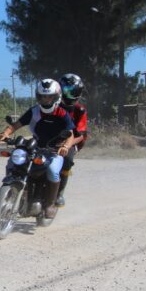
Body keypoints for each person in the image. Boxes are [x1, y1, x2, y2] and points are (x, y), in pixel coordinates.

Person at [0, 79, 75, 219]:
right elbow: (16, 125)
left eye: (49, 96)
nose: (46, 100)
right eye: (43, 96)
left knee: (52, 170)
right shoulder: (34, 111)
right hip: (36, 146)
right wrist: (6, 133)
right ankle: (15, 189)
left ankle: (50, 204)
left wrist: (65, 146)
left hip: (54, 150)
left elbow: (71, 134)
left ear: (56, 97)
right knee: (14, 161)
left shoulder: (62, 113)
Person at [56, 73, 88, 206]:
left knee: (67, 160)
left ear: (77, 93)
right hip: (52, 139)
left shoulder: (80, 110)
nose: (67, 94)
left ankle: (59, 194)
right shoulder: (53, 105)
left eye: (70, 91)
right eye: (64, 90)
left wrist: (67, 145)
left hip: (73, 141)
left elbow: (80, 134)